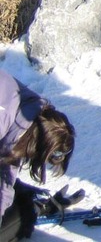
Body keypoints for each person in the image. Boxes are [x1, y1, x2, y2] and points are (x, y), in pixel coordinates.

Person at [0, 69, 75, 242]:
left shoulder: (28, 109)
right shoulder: (5, 116)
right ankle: (27, 206)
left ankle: (25, 200)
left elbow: (5, 174)